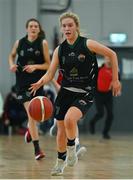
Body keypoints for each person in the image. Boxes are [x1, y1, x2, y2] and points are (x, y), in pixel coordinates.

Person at [29, 12, 121, 175]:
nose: (67, 28)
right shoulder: (60, 49)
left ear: (76, 26)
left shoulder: (87, 44)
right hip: (65, 92)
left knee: (70, 119)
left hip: (85, 92)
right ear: (61, 28)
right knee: (60, 130)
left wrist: (115, 80)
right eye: (64, 26)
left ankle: (72, 149)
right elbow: (50, 74)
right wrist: (40, 82)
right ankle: (59, 162)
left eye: (70, 25)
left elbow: (112, 55)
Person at [8, 18, 51, 160]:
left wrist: (36, 66)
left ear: (39, 29)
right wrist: (12, 64)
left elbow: (48, 65)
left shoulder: (43, 43)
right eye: (31, 26)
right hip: (22, 83)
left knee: (36, 116)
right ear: (27, 28)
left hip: (37, 83)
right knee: (32, 114)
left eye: (36, 26)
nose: (33, 28)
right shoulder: (19, 43)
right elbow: (11, 55)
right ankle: (37, 149)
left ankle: (29, 130)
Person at [50, 70, 87, 157]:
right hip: (60, 91)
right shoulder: (58, 59)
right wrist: (56, 86)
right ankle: (55, 124)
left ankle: (76, 145)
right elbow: (49, 73)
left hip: (74, 91)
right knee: (61, 122)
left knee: (72, 119)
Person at [89, 57, 121, 139]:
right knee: (101, 113)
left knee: (110, 115)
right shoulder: (99, 69)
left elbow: (118, 82)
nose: (109, 60)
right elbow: (92, 79)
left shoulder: (115, 71)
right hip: (98, 94)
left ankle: (105, 133)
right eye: (107, 58)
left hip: (108, 95)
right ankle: (92, 123)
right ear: (105, 59)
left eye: (110, 59)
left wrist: (117, 88)